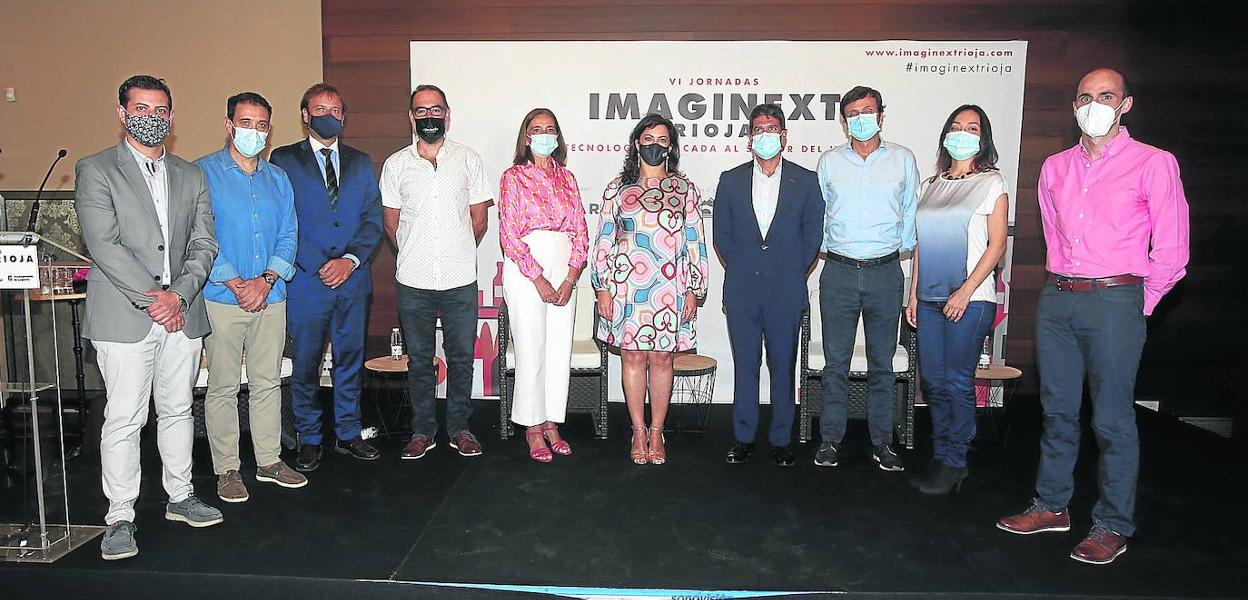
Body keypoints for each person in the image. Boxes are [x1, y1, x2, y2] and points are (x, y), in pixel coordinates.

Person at [997, 68, 1189, 565]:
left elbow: (1171, 250)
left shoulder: (1154, 163)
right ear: (1074, 105)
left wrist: (1137, 308)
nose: (1093, 104)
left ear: (1125, 104)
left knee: (1111, 419)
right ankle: (1052, 505)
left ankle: (1111, 524)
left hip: (1116, 300)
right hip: (1059, 298)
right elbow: (1054, 238)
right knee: (1057, 411)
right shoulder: (1055, 167)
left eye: (1105, 96)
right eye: (1084, 96)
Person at [75, 75, 222, 561]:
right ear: (122, 113)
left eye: (161, 109)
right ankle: (120, 515)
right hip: (126, 316)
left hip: (181, 313)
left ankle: (180, 497)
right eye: (141, 108)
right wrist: (154, 298)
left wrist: (177, 296)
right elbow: (104, 245)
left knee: (179, 408)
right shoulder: (96, 169)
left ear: (172, 116)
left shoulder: (191, 174)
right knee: (125, 417)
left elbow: (204, 243)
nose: (152, 117)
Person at [195, 92, 305, 502]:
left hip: (271, 295)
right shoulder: (202, 173)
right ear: (229, 124)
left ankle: (270, 461)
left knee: (267, 382)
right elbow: (199, 235)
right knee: (222, 386)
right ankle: (227, 470)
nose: (254, 132)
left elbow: (289, 233)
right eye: (246, 123)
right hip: (222, 298)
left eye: (261, 126)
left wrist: (266, 279)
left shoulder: (277, 178)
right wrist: (237, 283)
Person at [270, 83, 383, 472]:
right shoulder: (283, 160)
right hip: (306, 280)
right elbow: (282, 221)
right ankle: (310, 438)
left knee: (349, 360)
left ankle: (349, 433)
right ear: (305, 115)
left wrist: (349, 260)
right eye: (320, 109)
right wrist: (320, 262)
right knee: (306, 363)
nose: (328, 115)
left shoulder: (361, 161)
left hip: (353, 280)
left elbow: (372, 219)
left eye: (336, 110)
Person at [381, 84, 493, 460]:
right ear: (412, 117)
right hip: (413, 282)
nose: (429, 116)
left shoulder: (468, 159)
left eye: (436, 109)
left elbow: (479, 220)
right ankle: (422, 431)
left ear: (447, 114)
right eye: (421, 111)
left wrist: (454, 251)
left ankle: (460, 428)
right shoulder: (396, 165)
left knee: (462, 358)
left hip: (460, 279)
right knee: (420, 361)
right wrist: (419, 254)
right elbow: (391, 225)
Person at [591, 113, 708, 465]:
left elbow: (695, 242)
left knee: (661, 358)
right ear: (636, 143)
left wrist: (693, 289)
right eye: (648, 138)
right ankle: (637, 430)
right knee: (632, 357)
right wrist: (602, 289)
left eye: (662, 139)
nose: (654, 145)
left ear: (670, 146)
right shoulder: (617, 189)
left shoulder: (685, 189)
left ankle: (657, 432)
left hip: (670, 288)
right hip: (626, 288)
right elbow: (604, 241)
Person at [904, 104, 1008, 494]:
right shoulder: (931, 185)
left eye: (972, 127)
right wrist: (913, 293)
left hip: (971, 298)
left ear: (983, 138)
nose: (962, 133)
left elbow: (996, 245)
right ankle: (943, 452)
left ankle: (956, 460)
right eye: (956, 126)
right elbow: (920, 245)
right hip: (929, 299)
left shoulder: (991, 184)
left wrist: (964, 291)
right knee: (932, 381)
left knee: (957, 381)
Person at [712, 104, 824, 467]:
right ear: (749, 138)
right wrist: (748, 267)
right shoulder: (730, 180)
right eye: (758, 129)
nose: (765, 135)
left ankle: (781, 439)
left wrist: (790, 271)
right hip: (743, 289)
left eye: (772, 128)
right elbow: (722, 238)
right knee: (745, 365)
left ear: (784, 136)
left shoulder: (806, 181)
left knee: (783, 364)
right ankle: (743, 437)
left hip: (786, 290)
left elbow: (813, 237)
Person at [814, 85, 918, 472]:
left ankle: (882, 444)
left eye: (868, 110)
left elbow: (910, 215)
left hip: (885, 272)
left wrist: (896, 252)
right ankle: (830, 441)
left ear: (881, 115)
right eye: (853, 113)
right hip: (838, 271)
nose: (861, 118)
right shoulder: (828, 162)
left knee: (882, 364)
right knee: (835, 363)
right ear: (844, 121)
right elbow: (819, 215)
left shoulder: (903, 160)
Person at [497, 108, 588, 462]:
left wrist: (570, 276)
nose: (545, 134)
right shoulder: (513, 177)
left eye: (551, 129)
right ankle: (532, 427)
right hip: (526, 271)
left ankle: (552, 422)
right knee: (531, 345)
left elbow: (581, 229)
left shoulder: (568, 178)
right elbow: (509, 233)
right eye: (537, 129)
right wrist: (538, 277)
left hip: (564, 268)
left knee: (558, 348)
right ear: (526, 137)